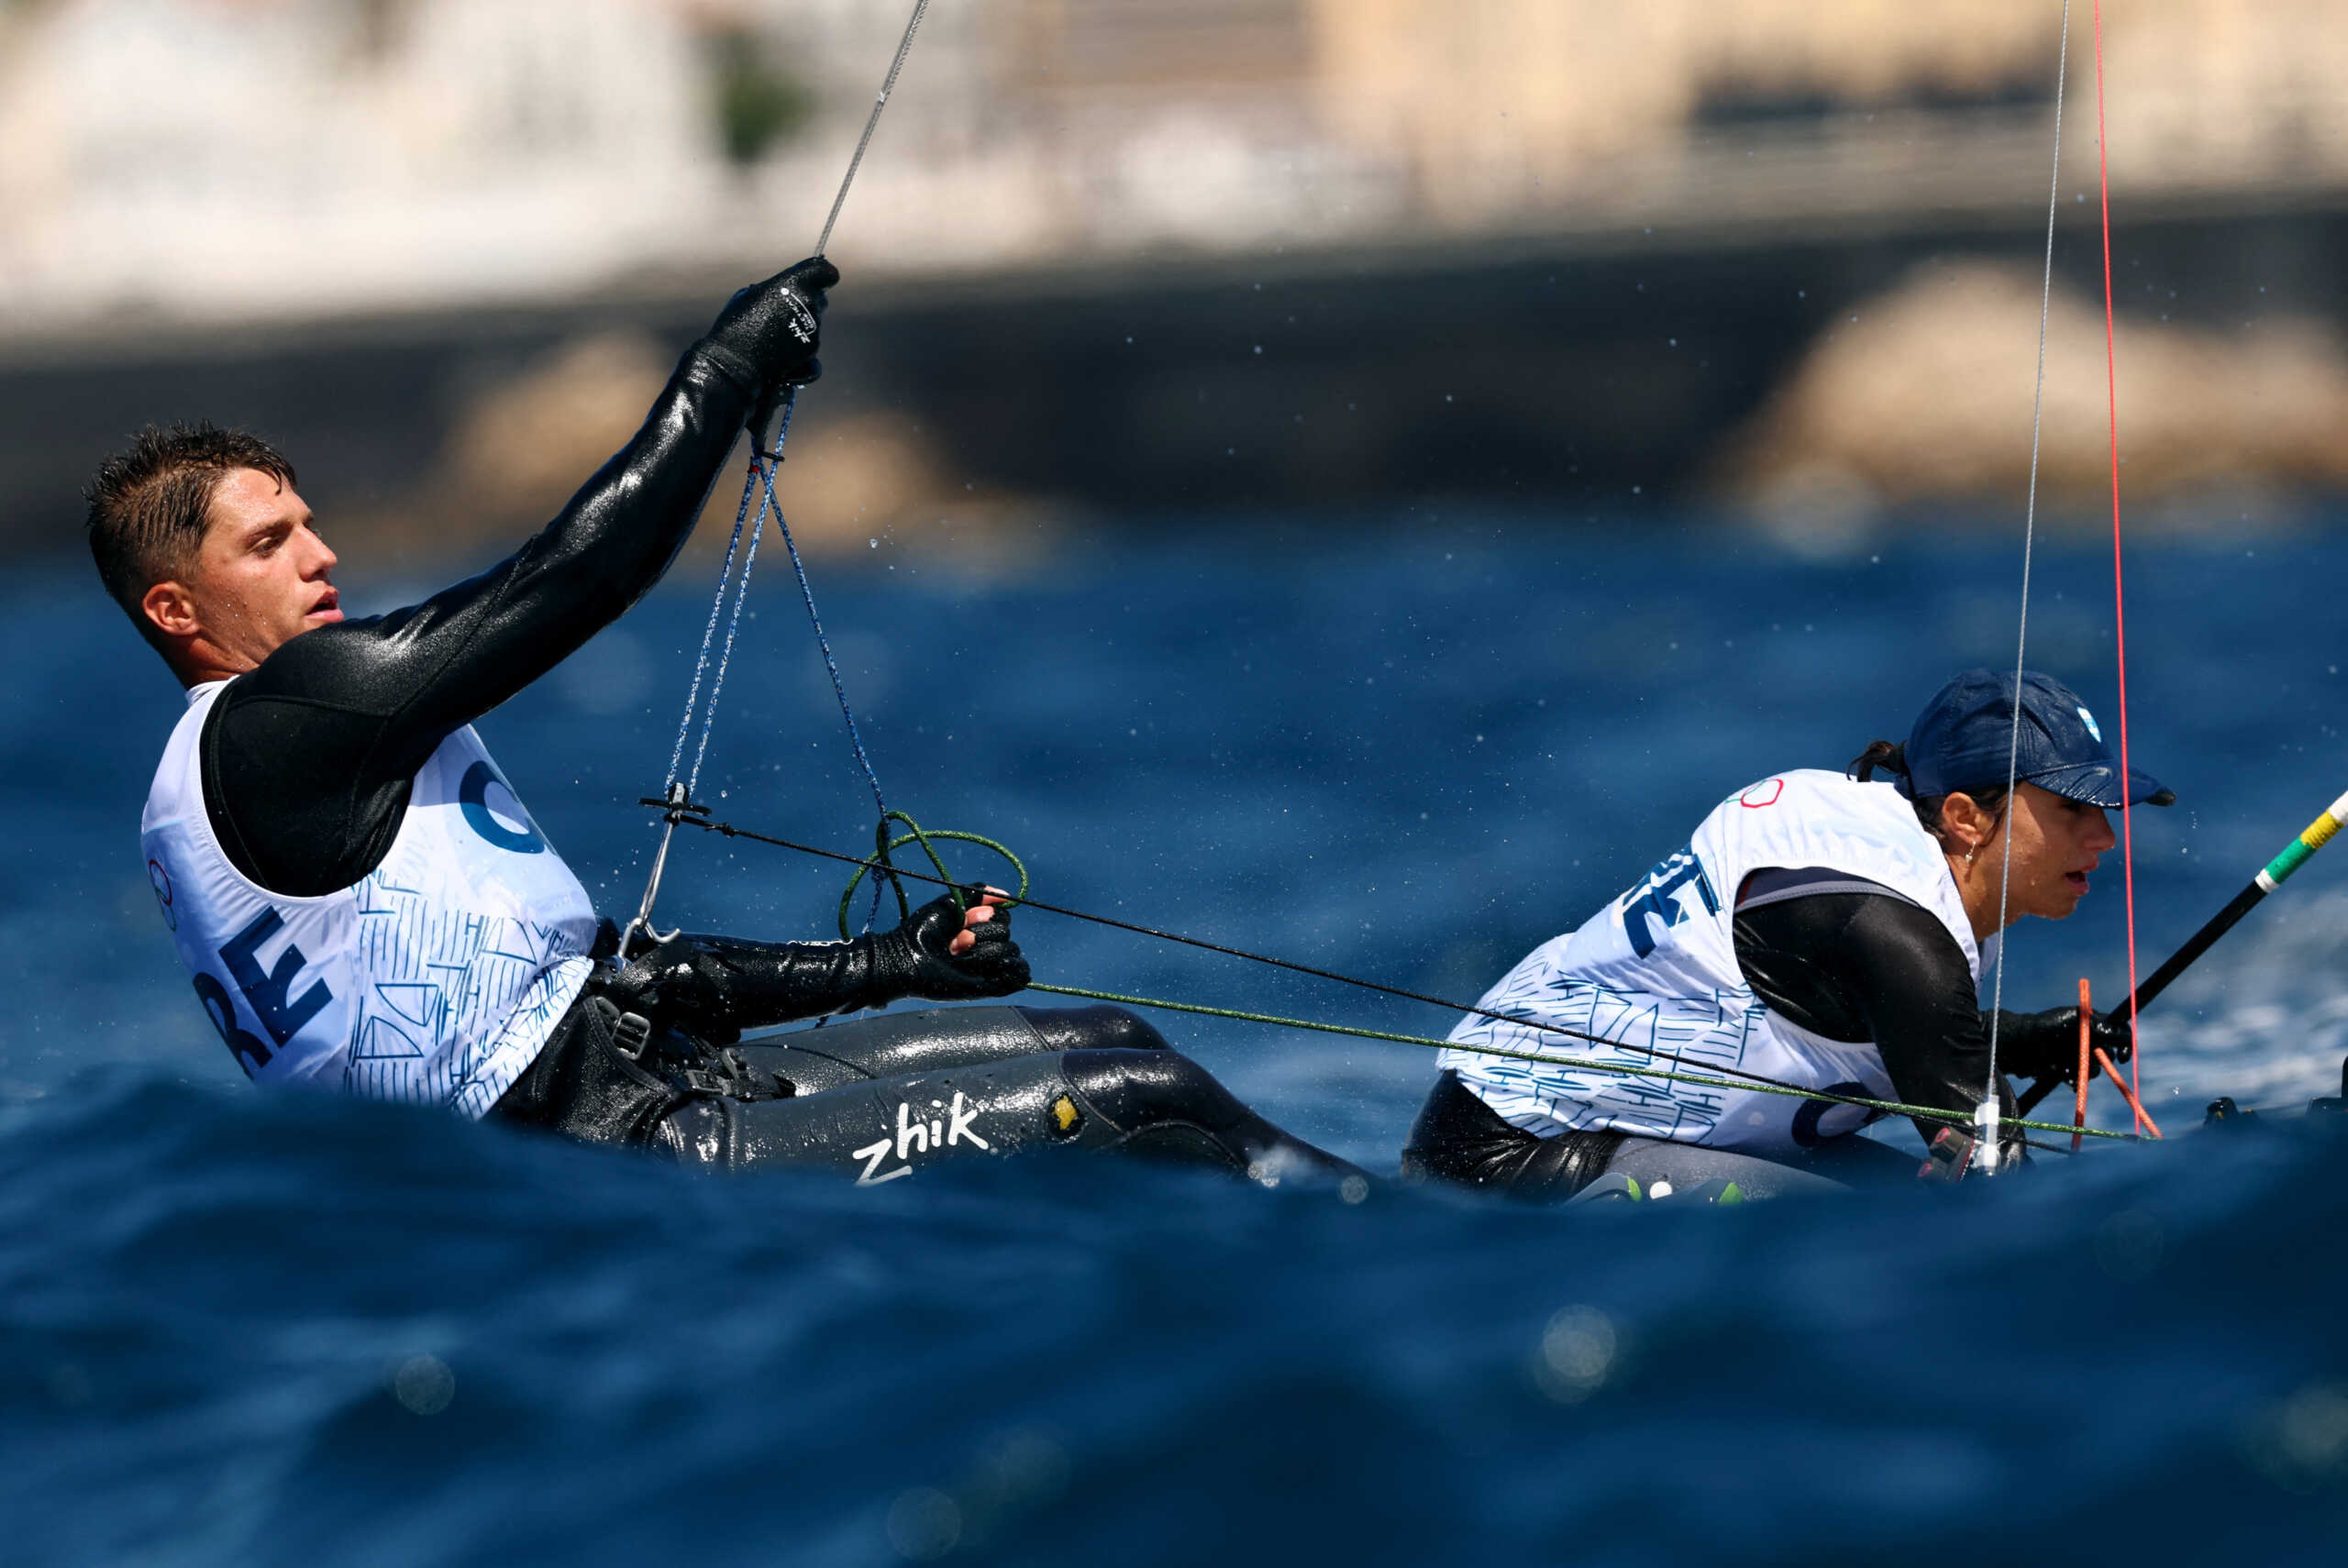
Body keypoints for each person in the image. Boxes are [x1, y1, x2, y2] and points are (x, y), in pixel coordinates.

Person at [100, 258, 1355, 1187]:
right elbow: (567, 582)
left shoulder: (296, 763)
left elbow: (609, 989)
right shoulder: (276, 725)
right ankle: (1427, 1262)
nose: (322, 556)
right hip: (598, 1167)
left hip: (627, 1114)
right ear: (176, 605)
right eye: (271, 543)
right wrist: (718, 375)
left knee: (1110, 1036)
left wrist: (887, 967)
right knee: (1137, 1097)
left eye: (310, 521)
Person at [1401, 668, 2169, 1200]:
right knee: (1894, 1230)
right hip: (1510, 1159)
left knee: (1901, 1209)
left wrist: (2026, 1040)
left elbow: (1882, 1025)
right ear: (1966, 816)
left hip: (1581, 1137)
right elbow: (1994, 1175)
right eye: (2074, 809)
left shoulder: (1908, 874)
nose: (2106, 837)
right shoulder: (1889, 922)